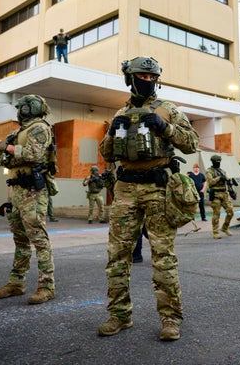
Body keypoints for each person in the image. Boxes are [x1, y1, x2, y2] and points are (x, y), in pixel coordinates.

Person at [97, 56, 199, 341]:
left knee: (163, 257)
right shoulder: (120, 112)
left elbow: (191, 144)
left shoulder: (168, 110)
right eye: (141, 76)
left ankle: (170, 319)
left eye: (151, 77)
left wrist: (165, 127)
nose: (147, 81)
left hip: (158, 188)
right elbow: (107, 153)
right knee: (117, 256)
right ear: (130, 78)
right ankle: (119, 315)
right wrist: (113, 129)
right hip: (125, 190)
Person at [0, 94, 58, 305]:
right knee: (20, 240)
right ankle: (16, 283)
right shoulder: (19, 132)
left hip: (34, 193)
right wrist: (2, 151)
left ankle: (47, 286)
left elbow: (34, 155)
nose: (20, 111)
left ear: (30, 108)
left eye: (23, 107)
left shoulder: (40, 128)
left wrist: (6, 148)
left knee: (39, 239)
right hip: (18, 191)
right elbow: (5, 160)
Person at [205, 154, 234, 239]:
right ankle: (215, 232)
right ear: (213, 161)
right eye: (217, 161)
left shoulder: (222, 171)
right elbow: (210, 182)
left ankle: (225, 228)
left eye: (219, 161)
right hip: (215, 195)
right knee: (216, 214)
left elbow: (226, 179)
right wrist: (219, 178)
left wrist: (229, 181)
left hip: (224, 194)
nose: (218, 162)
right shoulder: (209, 171)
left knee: (230, 211)